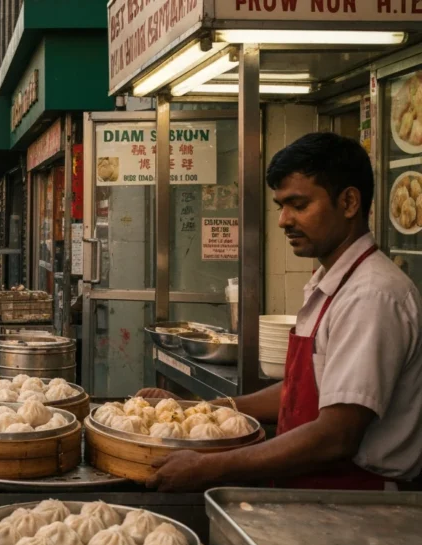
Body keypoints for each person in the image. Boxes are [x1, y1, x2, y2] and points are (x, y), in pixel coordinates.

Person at [138, 133, 422, 492]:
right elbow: (300, 391)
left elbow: (337, 435)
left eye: (298, 205)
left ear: (349, 202)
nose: (283, 220)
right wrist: (204, 410)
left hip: (360, 503)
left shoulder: (371, 296)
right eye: (280, 206)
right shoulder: (334, 281)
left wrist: (211, 466)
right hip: (314, 495)